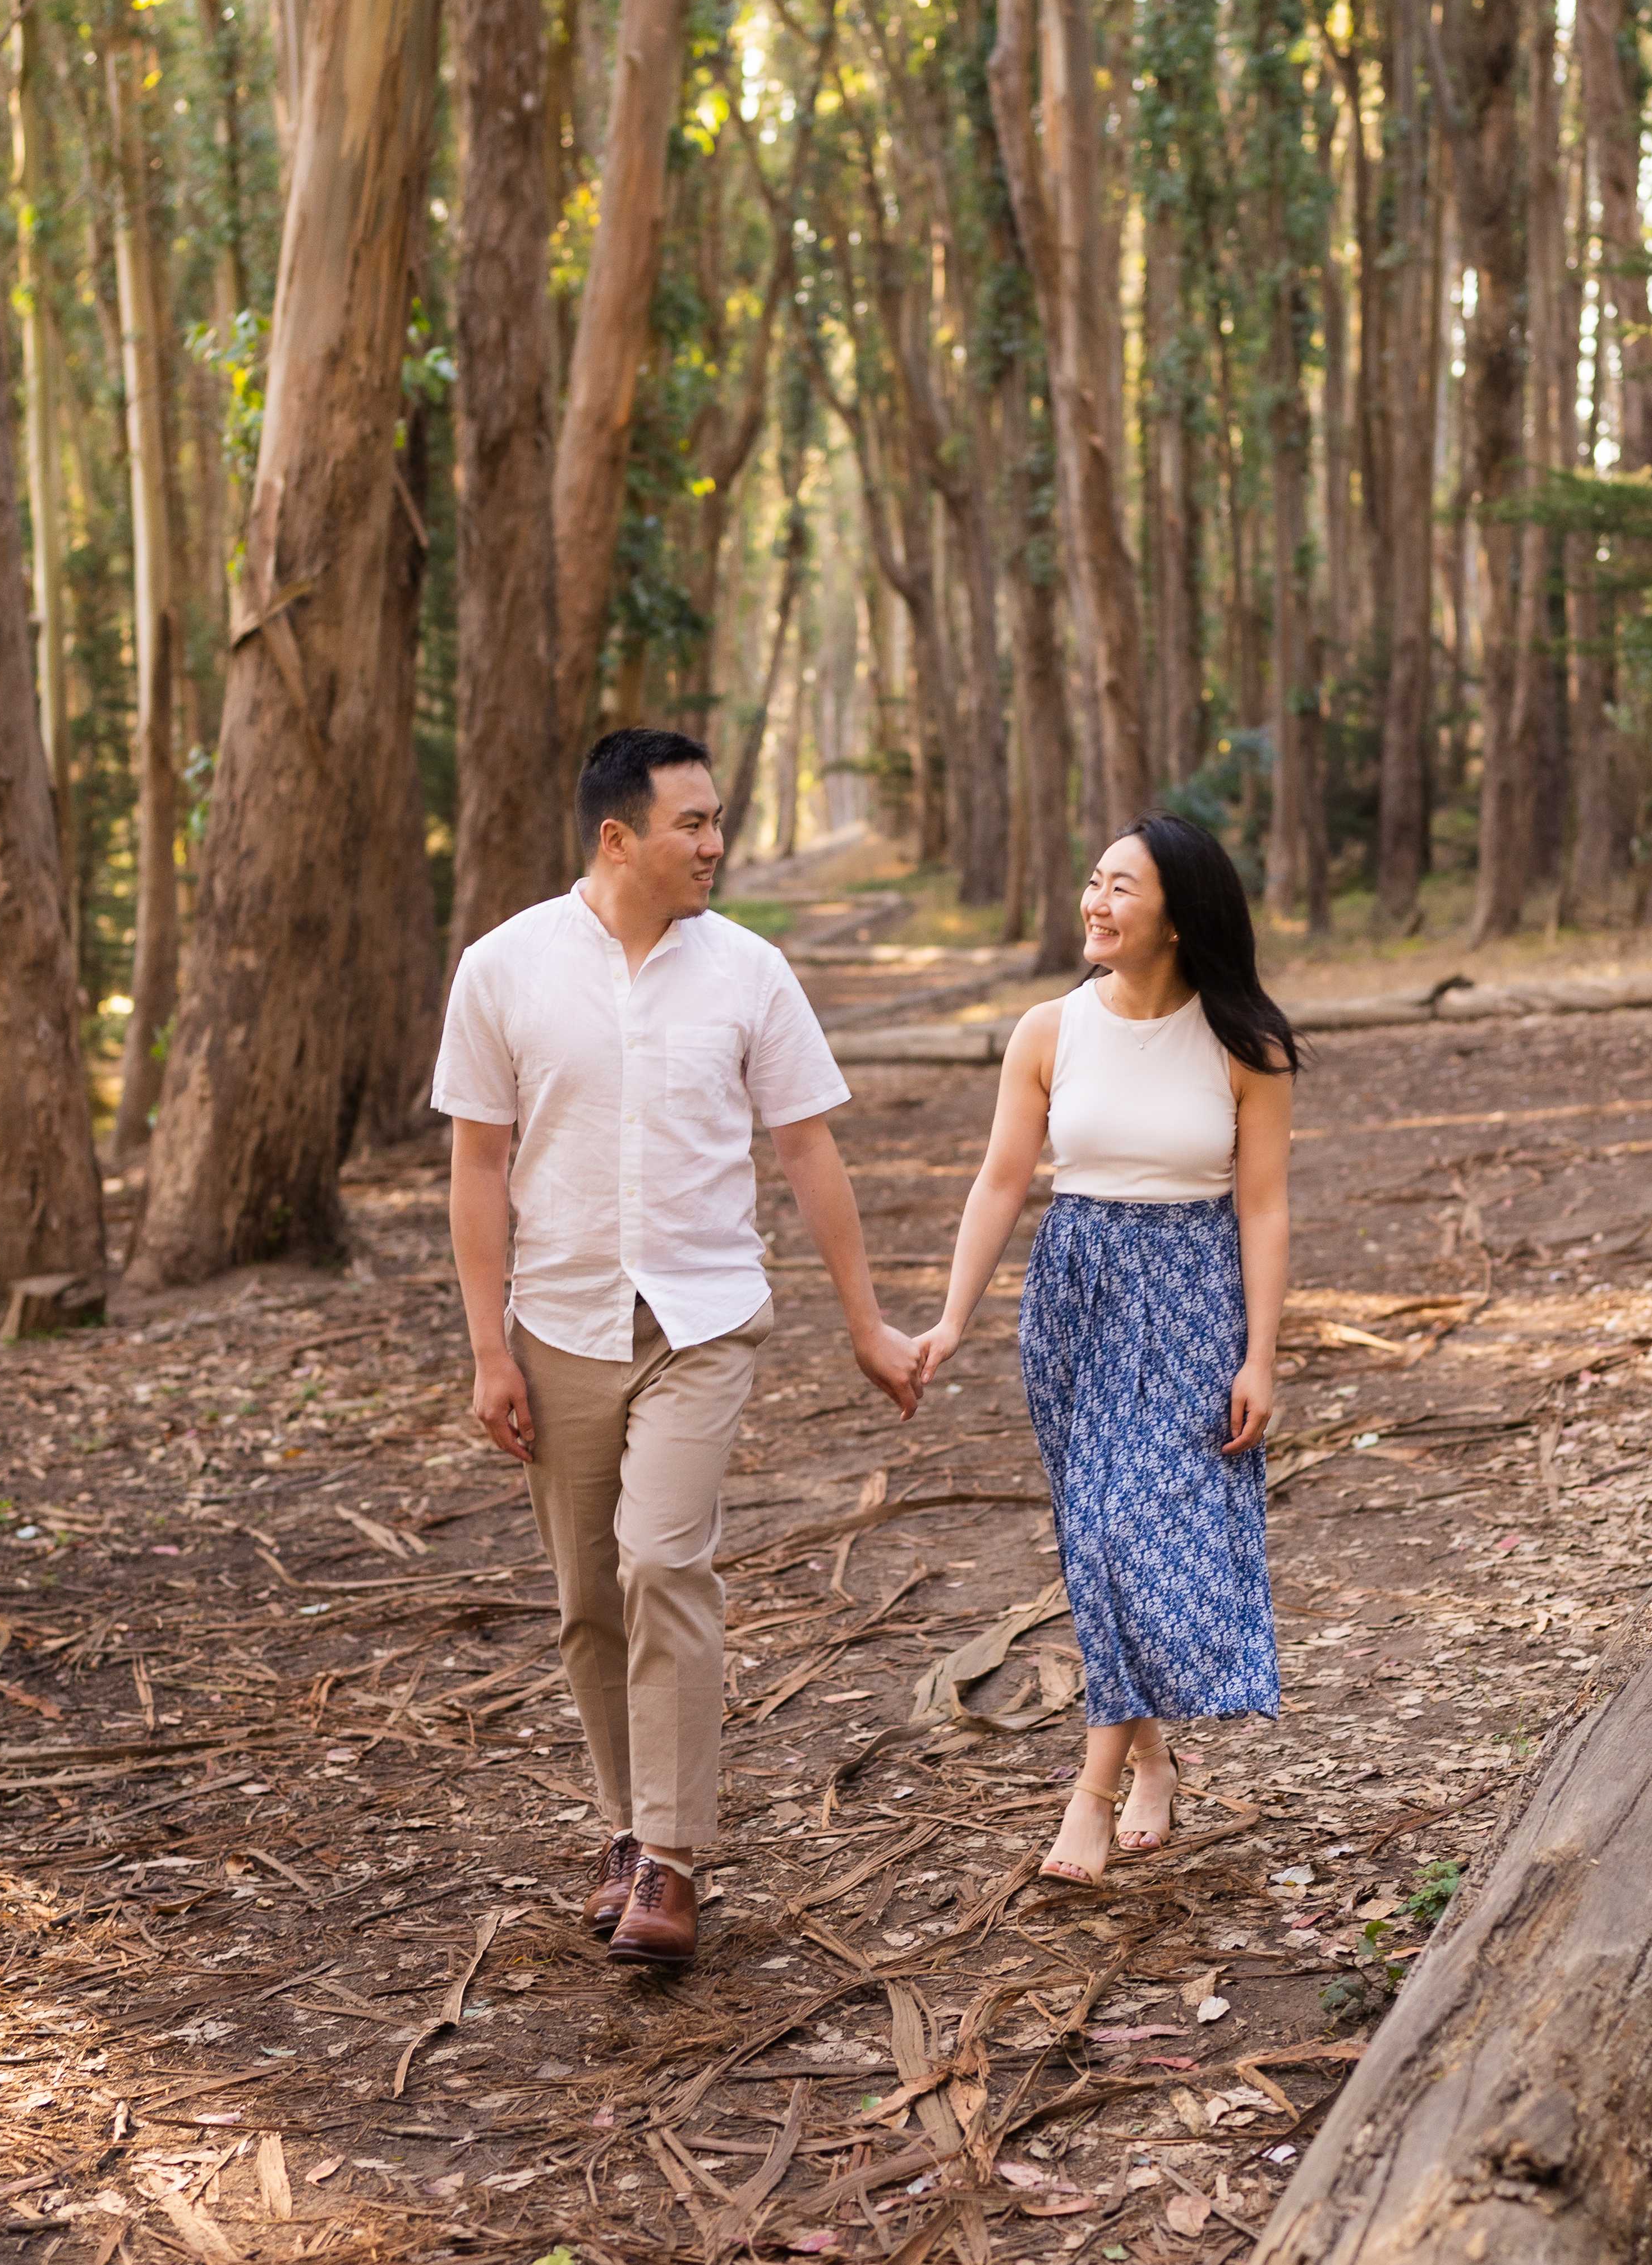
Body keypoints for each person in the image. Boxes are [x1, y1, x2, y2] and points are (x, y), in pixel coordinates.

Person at [436, 729, 921, 1969]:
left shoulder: (750, 973)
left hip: (702, 1317)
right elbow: (478, 1166)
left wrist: (865, 1321)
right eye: (691, 824)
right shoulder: (502, 970)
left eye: (715, 820)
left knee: (661, 1561)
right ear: (617, 839)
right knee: (588, 1601)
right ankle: (620, 1828)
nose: (714, 844)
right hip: (558, 1324)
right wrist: (488, 1351)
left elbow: (808, 1150)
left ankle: (672, 1856)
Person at [915, 813, 1294, 1879]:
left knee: (1131, 1532)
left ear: (1179, 914)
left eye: (1121, 887)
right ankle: (1155, 1763)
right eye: (1093, 882)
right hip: (1075, 1295)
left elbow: (1263, 1210)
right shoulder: (1048, 1030)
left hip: (1192, 1299)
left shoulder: (1247, 1046)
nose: (1095, 901)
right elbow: (1000, 1181)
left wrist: (1262, 1355)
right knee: (1099, 1545)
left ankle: (1089, 1793)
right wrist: (953, 1317)